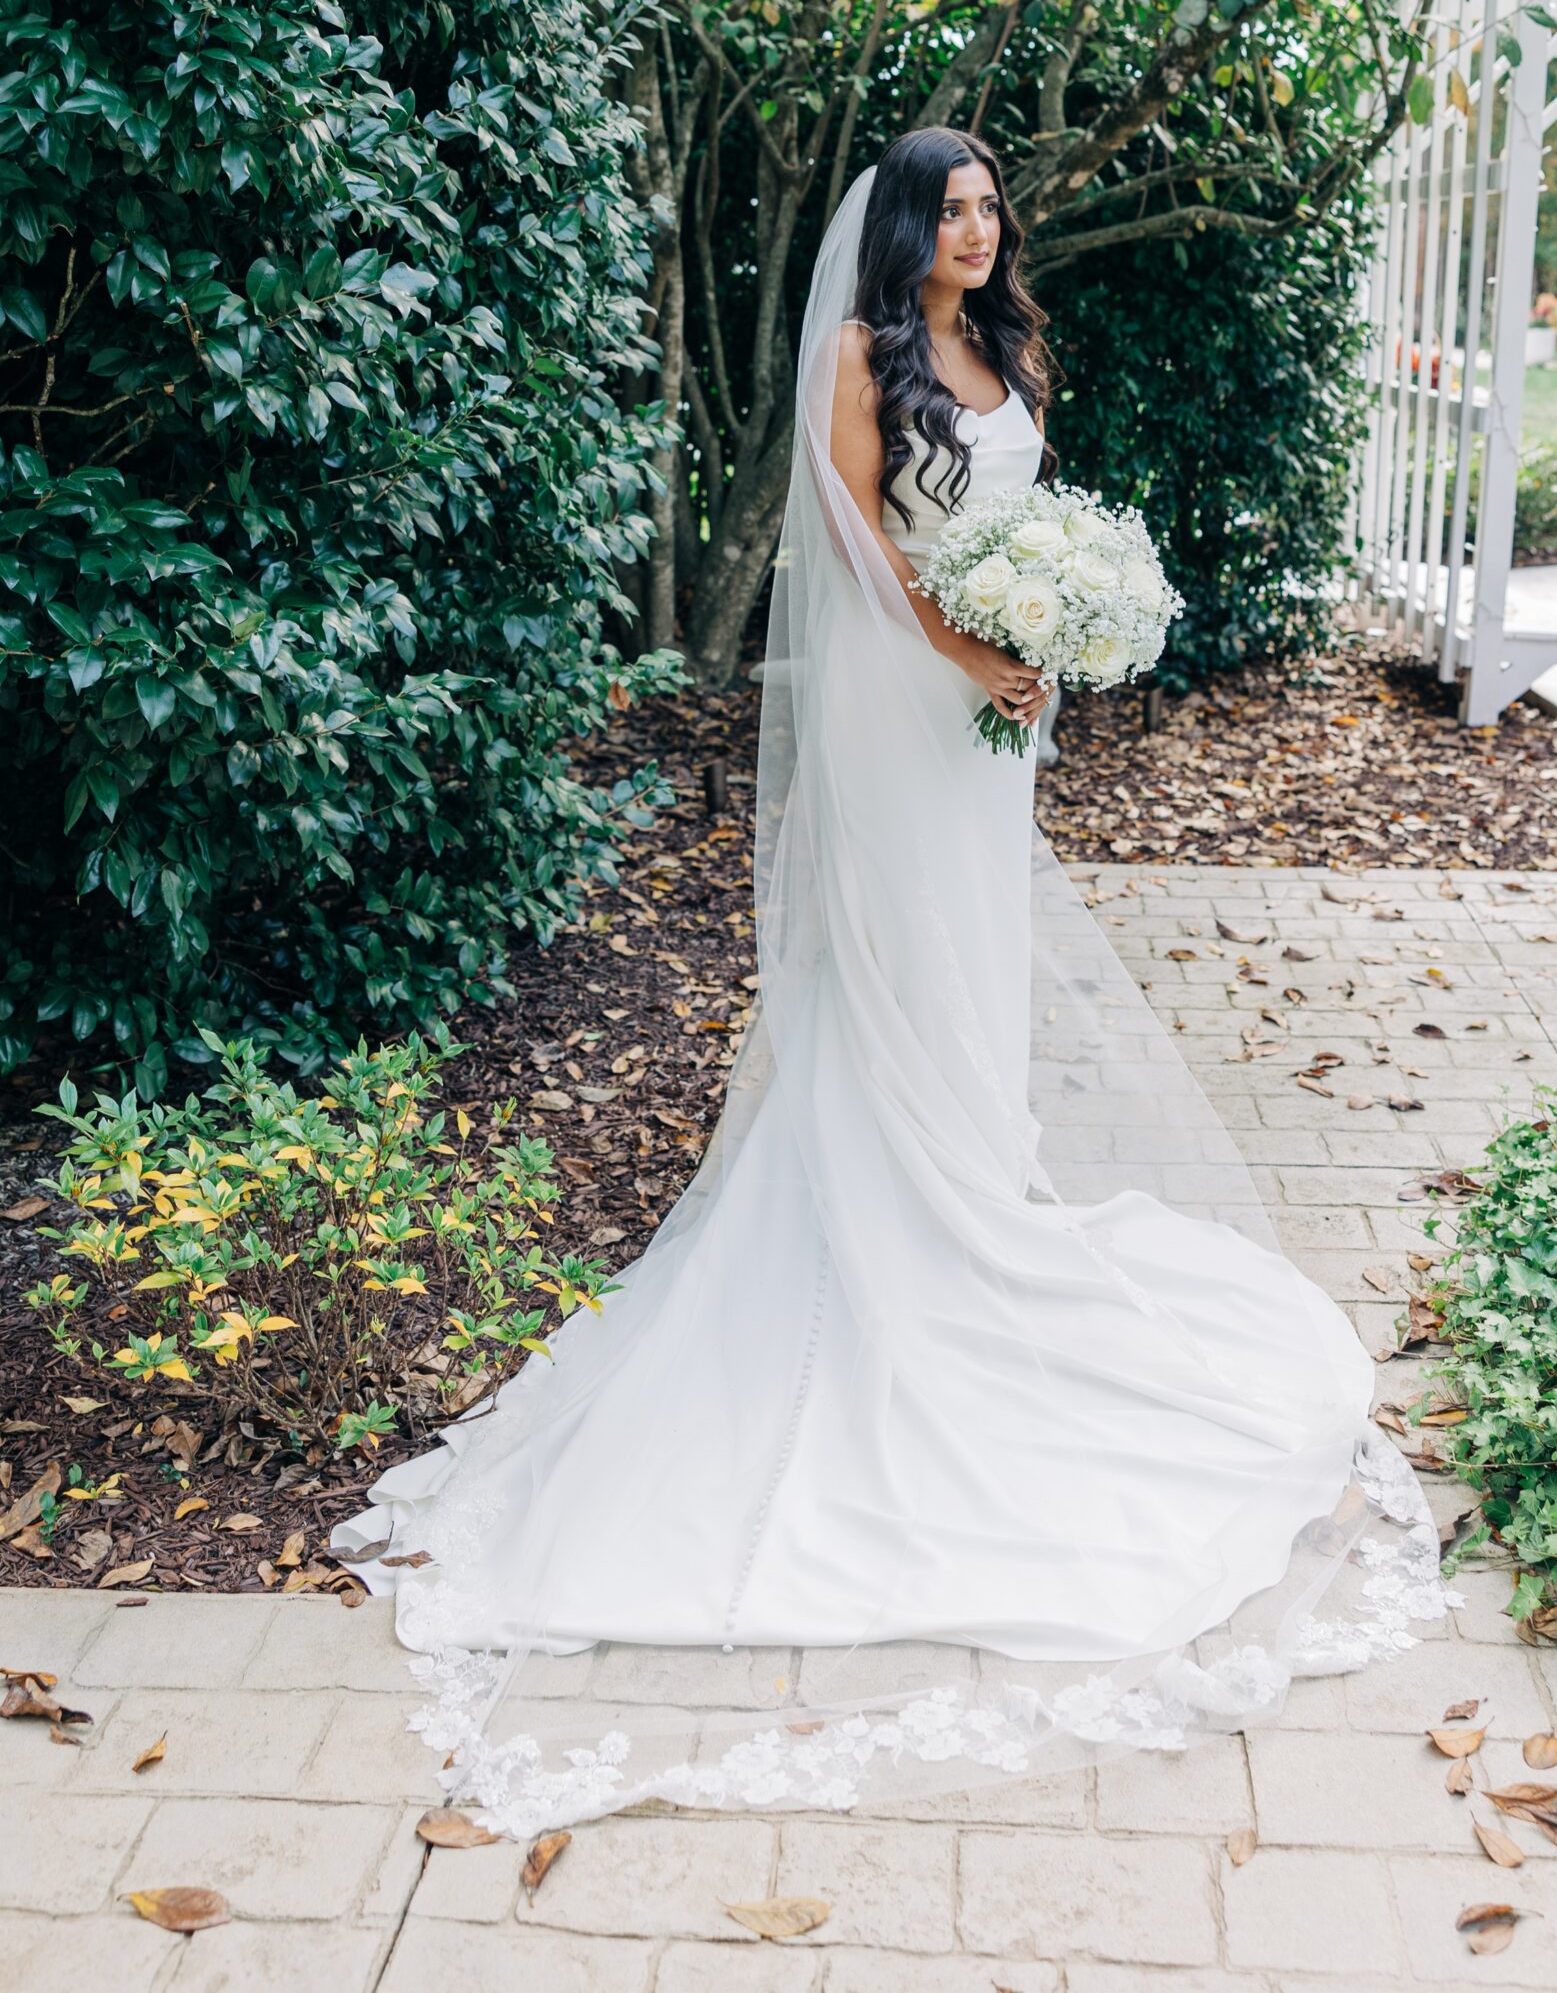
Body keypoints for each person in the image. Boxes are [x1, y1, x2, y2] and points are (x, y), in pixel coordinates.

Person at [335, 128, 1442, 1832]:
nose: (980, 230)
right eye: (954, 208)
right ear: (905, 229)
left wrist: (1057, 644)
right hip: (900, 707)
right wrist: (984, 653)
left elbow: (1029, 524)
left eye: (994, 207)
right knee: (896, 968)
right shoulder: (860, 360)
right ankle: (897, 1218)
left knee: (971, 968)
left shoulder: (1009, 348)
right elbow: (858, 553)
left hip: (994, 716)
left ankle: (973, 1180)